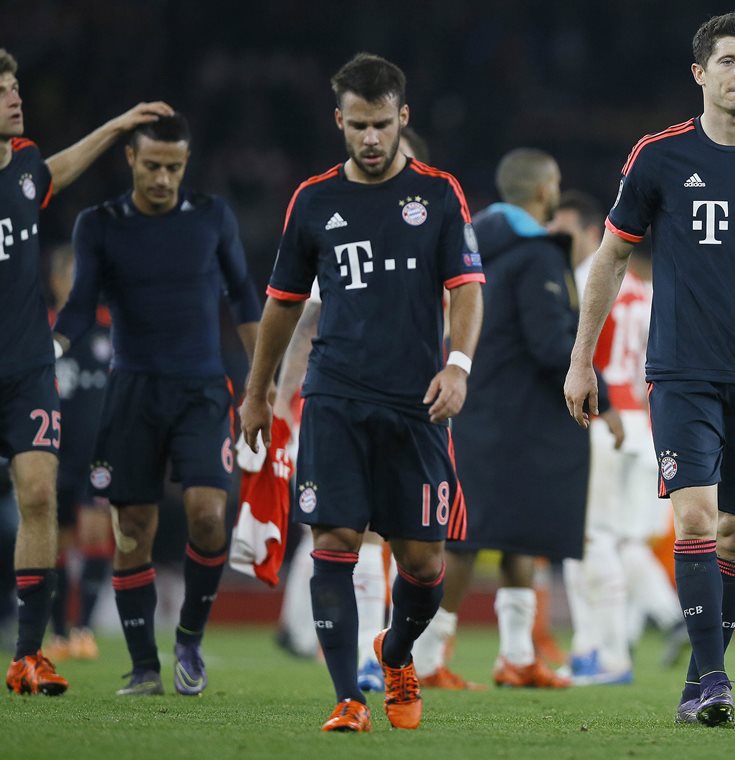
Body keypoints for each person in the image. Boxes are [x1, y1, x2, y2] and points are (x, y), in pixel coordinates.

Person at [565, 12, 735, 727]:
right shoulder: (658, 156)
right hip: (682, 368)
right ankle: (717, 682)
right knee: (693, 515)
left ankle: (697, 685)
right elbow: (611, 257)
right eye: (728, 61)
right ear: (700, 73)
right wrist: (582, 357)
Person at [240, 53, 484, 733]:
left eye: (381, 124)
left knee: (424, 561)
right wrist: (258, 394)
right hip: (336, 395)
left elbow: (466, 289)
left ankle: (397, 650)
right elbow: (283, 304)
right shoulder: (313, 200)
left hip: (417, 402)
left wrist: (458, 364)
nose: (370, 138)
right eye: (357, 125)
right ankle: (348, 696)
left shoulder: (438, 194)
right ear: (338, 122)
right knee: (335, 538)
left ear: (403, 118)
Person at [52, 113, 260, 696]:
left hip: (200, 389)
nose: (163, 178)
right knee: (131, 530)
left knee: (208, 515)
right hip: (133, 391)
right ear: (131, 161)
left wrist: (263, 382)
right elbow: (78, 303)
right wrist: (50, 349)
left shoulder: (212, 217)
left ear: (185, 163)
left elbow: (244, 295)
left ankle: (188, 640)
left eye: (174, 166)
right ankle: (144, 666)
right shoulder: (100, 224)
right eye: (152, 166)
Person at [1, 47, 171, 696]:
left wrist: (120, 124)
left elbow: (58, 170)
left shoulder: (21, 170)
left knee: (40, 497)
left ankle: (28, 654)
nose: (17, 98)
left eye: (17, 86)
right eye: (4, 90)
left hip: (25, 369)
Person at [424, 148, 613, 691]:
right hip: (514, 417)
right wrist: (592, 379)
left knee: (516, 538)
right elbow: (549, 342)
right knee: (468, 537)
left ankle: (516, 655)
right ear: (545, 188)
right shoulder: (536, 254)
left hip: (484, 406)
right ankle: (430, 658)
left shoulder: (476, 243)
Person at [551, 190, 683, 684]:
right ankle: (598, 645)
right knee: (619, 539)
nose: (557, 245)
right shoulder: (644, 291)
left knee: (593, 537)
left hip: (600, 423)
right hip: (642, 425)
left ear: (590, 233)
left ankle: (607, 655)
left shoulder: (585, 283)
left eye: (564, 235)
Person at [45, 245, 113, 664]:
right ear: (56, 281)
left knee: (95, 534)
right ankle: (57, 633)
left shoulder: (107, 328)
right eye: (72, 273)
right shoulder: (42, 331)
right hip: (52, 452)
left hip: (98, 454)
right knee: (56, 540)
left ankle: (84, 628)